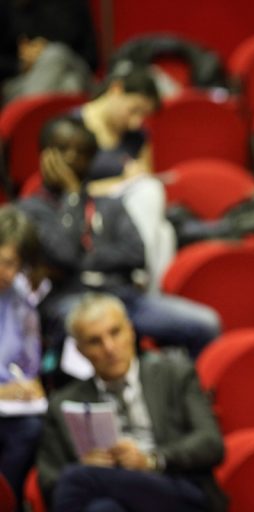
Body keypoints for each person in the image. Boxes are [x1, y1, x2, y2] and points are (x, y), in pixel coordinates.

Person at [17, 116, 220, 363]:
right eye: (62, 150)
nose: (70, 158)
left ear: (91, 159)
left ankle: (171, 382)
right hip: (71, 298)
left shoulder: (110, 204)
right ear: (44, 155)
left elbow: (136, 254)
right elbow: (66, 255)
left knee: (206, 324)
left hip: (123, 296)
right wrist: (73, 197)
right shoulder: (31, 211)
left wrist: (83, 261)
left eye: (80, 152)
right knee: (97, 329)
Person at [36, 293, 228, 512]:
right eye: (95, 341)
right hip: (112, 495)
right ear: (80, 350)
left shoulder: (174, 374)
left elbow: (211, 444)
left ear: (130, 330)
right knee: (102, 508)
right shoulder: (64, 403)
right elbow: (49, 481)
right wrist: (89, 466)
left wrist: (151, 460)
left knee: (76, 478)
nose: (109, 348)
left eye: (115, 332)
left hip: (173, 487)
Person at [77, 65, 174, 290]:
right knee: (148, 190)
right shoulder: (73, 129)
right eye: (134, 110)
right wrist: (119, 182)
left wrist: (138, 177)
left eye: (143, 116)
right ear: (116, 89)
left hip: (129, 213)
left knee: (166, 232)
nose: (136, 122)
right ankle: (140, 272)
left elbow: (146, 178)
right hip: (89, 212)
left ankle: (147, 287)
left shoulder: (137, 136)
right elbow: (66, 191)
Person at [0, 205, 45, 510]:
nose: (9, 273)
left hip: (10, 404)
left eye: (16, 265)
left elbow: (29, 357)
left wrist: (31, 384)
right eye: (4, 262)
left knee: (33, 427)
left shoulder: (18, 296)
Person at [0, 0, 97, 103]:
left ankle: (29, 110)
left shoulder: (68, 5)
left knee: (54, 54)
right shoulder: (6, 9)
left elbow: (90, 54)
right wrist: (20, 65)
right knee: (72, 85)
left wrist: (43, 51)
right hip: (21, 81)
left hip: (71, 66)